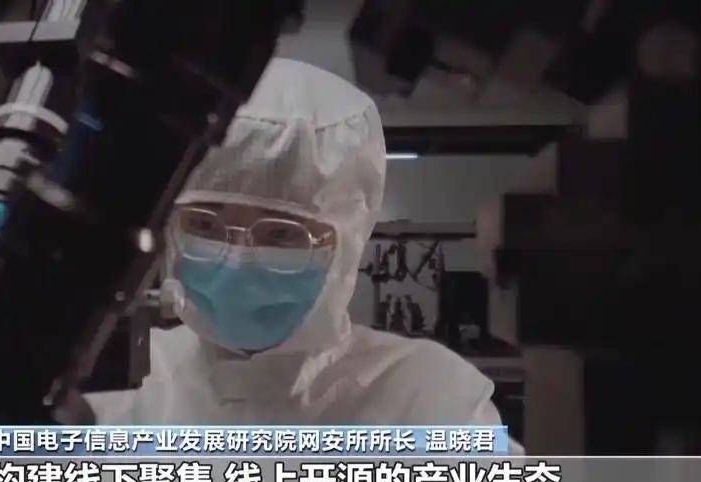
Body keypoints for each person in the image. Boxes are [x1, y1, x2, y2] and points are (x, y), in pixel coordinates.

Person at [85, 58, 507, 428]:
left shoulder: (430, 398)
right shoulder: (113, 389)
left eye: (282, 232)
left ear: (347, 240)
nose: (236, 260)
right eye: (205, 224)